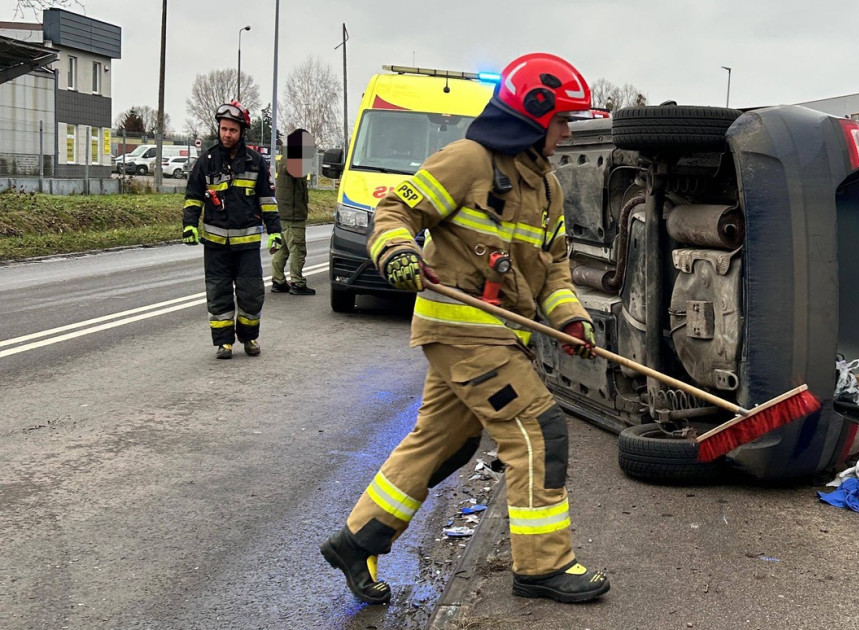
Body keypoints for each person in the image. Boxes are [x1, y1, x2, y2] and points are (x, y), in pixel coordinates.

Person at [320, 52, 609, 605]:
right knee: (537, 431)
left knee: (444, 442)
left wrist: (571, 316)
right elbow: (394, 212)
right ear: (532, 115)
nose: (568, 133)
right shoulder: (468, 161)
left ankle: (357, 540)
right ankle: (543, 565)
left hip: (499, 335)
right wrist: (398, 253)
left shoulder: (548, 188)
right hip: (464, 334)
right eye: (562, 121)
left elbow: (553, 268)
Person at [182, 101, 283, 359]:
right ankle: (223, 343)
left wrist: (275, 231)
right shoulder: (206, 161)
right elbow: (193, 196)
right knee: (218, 295)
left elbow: (267, 201)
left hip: (247, 245)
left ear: (242, 133)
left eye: (233, 131)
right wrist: (190, 225)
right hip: (215, 245)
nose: (227, 134)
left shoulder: (257, 162)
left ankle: (249, 338)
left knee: (251, 295)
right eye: (224, 129)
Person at [271, 129, 314, 295]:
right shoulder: (292, 161)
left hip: (284, 213)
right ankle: (297, 282)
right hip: (293, 215)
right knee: (297, 249)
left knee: (283, 249)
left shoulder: (284, 160)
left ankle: (278, 280)